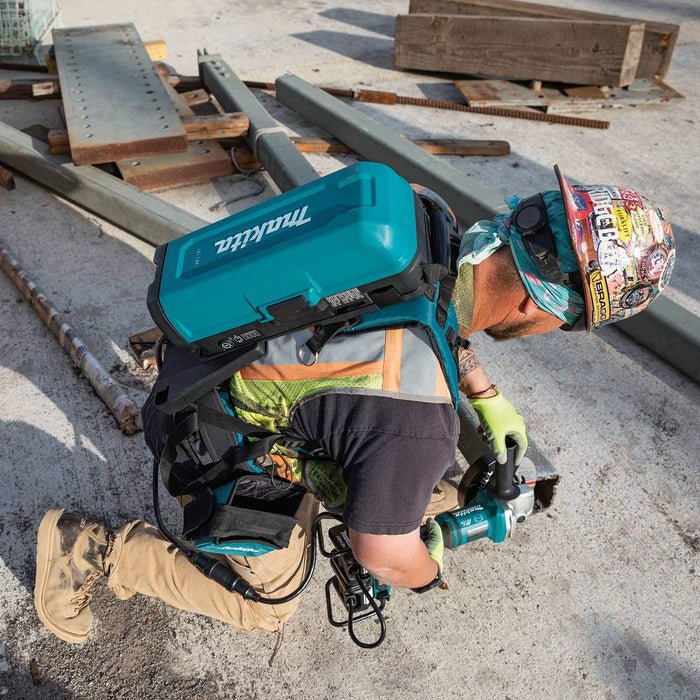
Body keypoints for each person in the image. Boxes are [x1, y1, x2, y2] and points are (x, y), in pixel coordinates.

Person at [34, 165, 675, 643]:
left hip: (201, 350)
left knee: (402, 468)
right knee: (269, 605)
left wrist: (487, 396)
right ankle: (89, 552)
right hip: (203, 434)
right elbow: (381, 555)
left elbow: (435, 316)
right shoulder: (419, 421)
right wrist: (425, 568)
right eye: (568, 322)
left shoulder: (425, 220)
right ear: (541, 305)